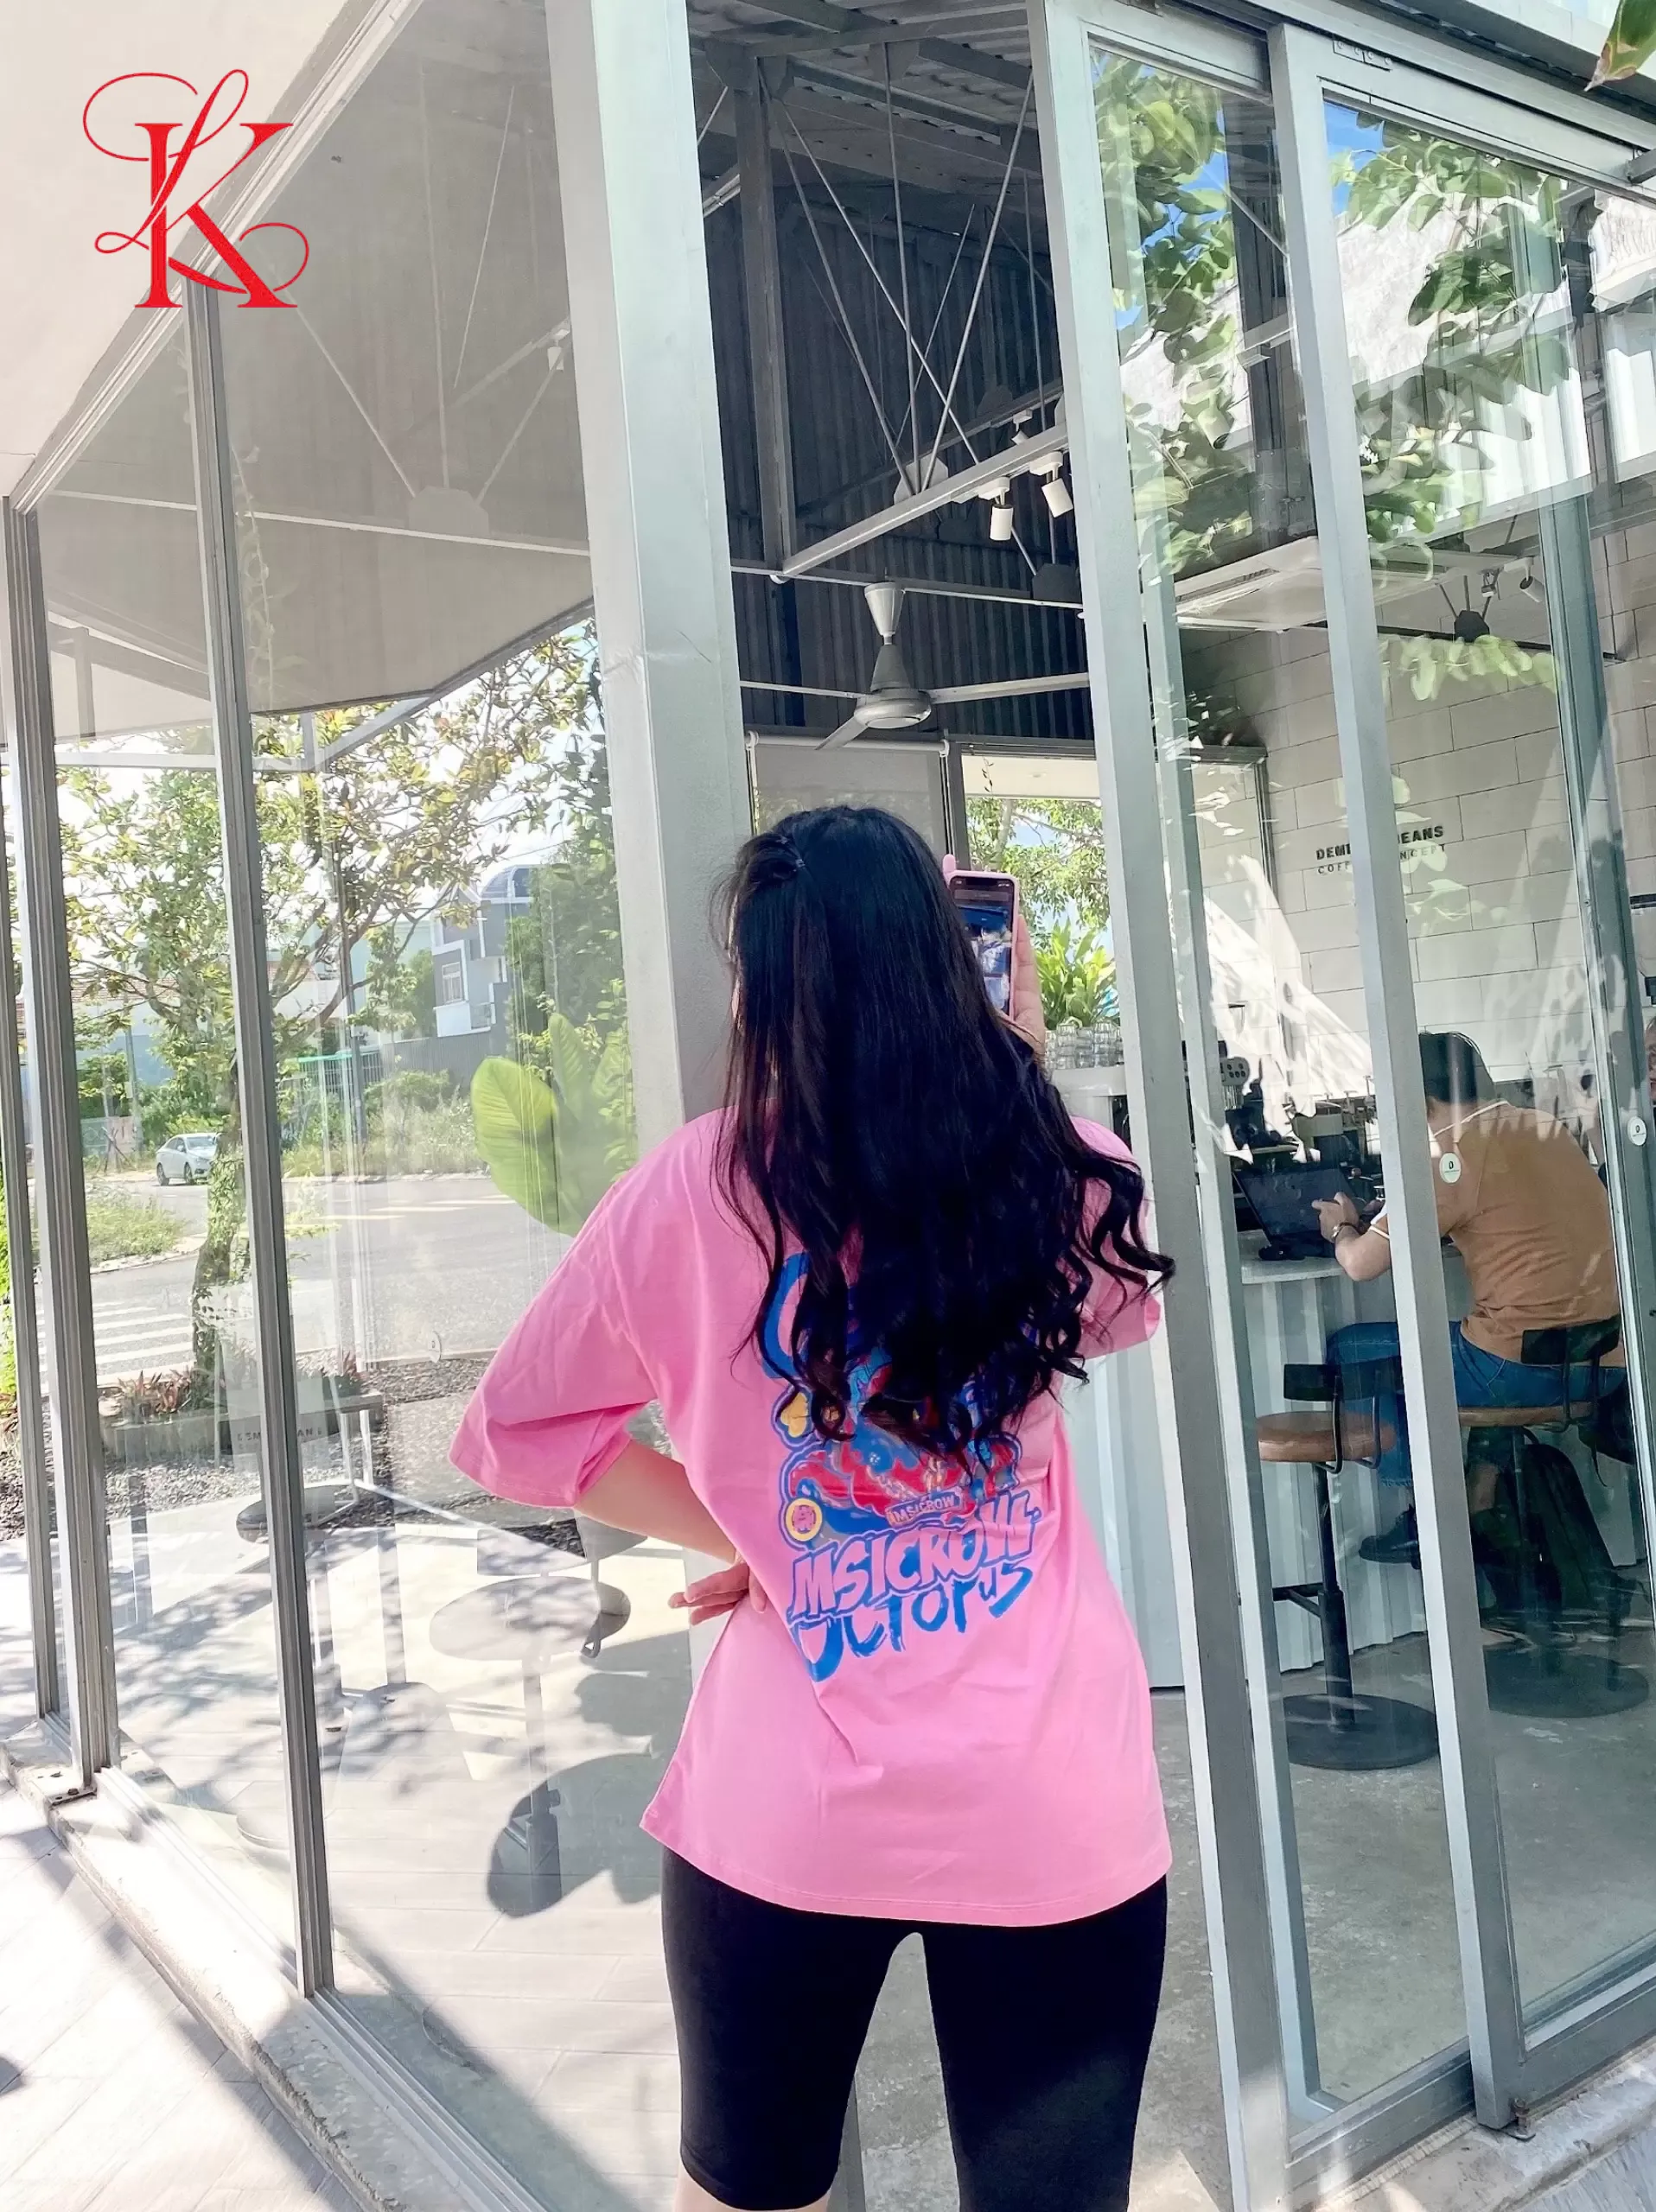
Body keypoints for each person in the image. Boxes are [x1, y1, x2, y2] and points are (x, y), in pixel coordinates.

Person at [452, 805, 1174, 2212]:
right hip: (1048, 1794)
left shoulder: (690, 1189)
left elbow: (521, 1435)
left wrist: (756, 1537)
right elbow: (1113, 1307)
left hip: (788, 1804)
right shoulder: (1068, 1174)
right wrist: (1018, 1063)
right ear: (956, 967)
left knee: (745, 2200)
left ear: (760, 995)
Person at [1312, 1031, 1625, 1560]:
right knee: (1481, 1339)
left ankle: (1427, 1515)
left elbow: (1362, 1264)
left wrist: (1342, 1227)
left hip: (1519, 1370)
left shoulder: (1445, 1155)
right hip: (1604, 1362)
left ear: (1417, 1101)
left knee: (1355, 1350)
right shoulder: (1544, 1127)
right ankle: (1479, 1497)